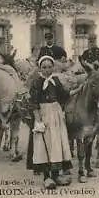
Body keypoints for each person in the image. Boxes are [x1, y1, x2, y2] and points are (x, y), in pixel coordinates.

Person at [28, 55, 74, 189]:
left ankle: (56, 175)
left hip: (56, 114)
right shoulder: (37, 82)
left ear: (53, 67)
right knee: (45, 144)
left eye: (49, 67)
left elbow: (64, 96)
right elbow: (34, 103)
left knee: (57, 143)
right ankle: (47, 177)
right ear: (39, 68)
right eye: (44, 67)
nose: (47, 70)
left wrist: (76, 89)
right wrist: (38, 121)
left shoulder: (56, 81)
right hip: (44, 115)